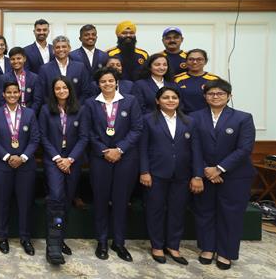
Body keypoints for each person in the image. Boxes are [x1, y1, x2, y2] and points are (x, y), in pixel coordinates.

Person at [190, 79, 255, 270]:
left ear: (229, 96)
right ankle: (208, 248)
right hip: (204, 173)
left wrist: (219, 169)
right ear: (205, 96)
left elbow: (244, 149)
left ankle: (226, 252)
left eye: (220, 94)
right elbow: (192, 147)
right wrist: (205, 169)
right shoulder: (194, 117)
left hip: (235, 176)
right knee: (205, 212)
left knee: (231, 215)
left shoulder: (243, 118)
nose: (215, 97)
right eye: (211, 94)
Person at [84, 67, 143, 262]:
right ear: (98, 84)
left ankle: (119, 242)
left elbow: (137, 129)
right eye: (103, 82)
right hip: (100, 158)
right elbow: (88, 132)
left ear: (116, 82)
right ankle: (101, 241)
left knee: (120, 201)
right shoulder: (91, 104)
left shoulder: (130, 101)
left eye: (110, 81)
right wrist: (104, 150)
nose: (107, 84)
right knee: (100, 200)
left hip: (125, 159)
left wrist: (119, 149)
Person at [139, 86, 203, 265]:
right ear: (158, 101)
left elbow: (196, 150)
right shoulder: (148, 120)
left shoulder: (190, 121)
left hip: (182, 174)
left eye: (174, 97)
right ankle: (157, 246)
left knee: (177, 211)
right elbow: (142, 148)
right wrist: (144, 171)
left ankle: (173, 246)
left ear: (179, 100)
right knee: (155, 210)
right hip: (156, 173)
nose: (170, 100)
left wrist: (197, 175)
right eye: (166, 97)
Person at [38, 76, 89, 264]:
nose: (61, 91)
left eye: (64, 88)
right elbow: (43, 136)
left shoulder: (80, 110)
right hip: (54, 160)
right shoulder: (46, 110)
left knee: (67, 199)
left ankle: (60, 238)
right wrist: (59, 159)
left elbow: (84, 137)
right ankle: (53, 244)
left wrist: (70, 159)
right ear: (53, 91)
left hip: (73, 161)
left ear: (70, 90)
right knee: (56, 197)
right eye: (57, 88)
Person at [0, 81, 40, 256]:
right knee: (2, 202)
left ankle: (25, 238)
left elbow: (35, 139)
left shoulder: (30, 114)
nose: (12, 95)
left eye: (15, 92)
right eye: (8, 92)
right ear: (3, 94)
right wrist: (8, 157)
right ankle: (3, 237)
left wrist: (22, 157)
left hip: (25, 166)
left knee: (25, 203)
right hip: (2, 165)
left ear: (20, 94)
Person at [39, 35, 93, 103]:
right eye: (57, 47)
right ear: (53, 50)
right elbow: (42, 93)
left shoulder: (80, 67)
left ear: (69, 48)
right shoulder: (44, 69)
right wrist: (54, 108)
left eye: (64, 47)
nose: (61, 49)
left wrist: (76, 107)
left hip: (77, 109)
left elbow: (86, 91)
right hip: (53, 110)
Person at [0, 47, 43, 112]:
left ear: (24, 59)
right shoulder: (3, 78)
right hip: (9, 114)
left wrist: (29, 114)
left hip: (29, 114)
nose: (16, 61)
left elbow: (37, 101)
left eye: (18, 58)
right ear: (9, 61)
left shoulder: (34, 78)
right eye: (13, 59)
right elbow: (1, 100)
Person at [174, 49, 220, 113]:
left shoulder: (214, 79)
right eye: (191, 59)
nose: (195, 62)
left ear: (205, 61)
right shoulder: (177, 79)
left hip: (207, 118)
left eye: (199, 59)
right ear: (186, 61)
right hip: (183, 118)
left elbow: (219, 101)